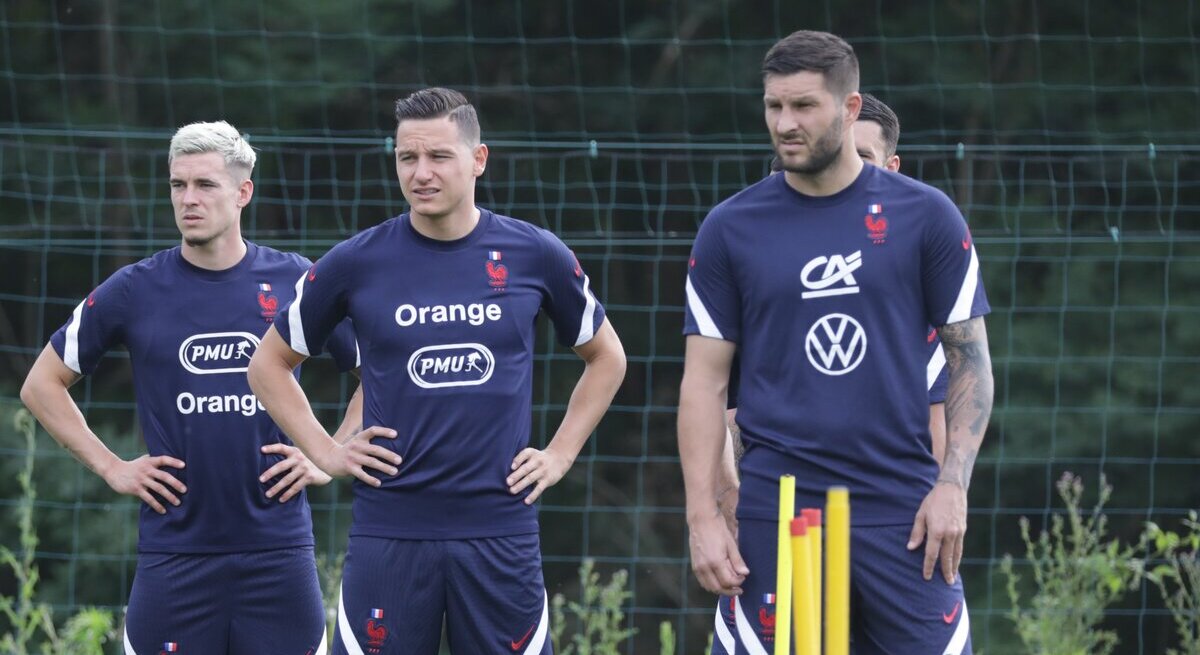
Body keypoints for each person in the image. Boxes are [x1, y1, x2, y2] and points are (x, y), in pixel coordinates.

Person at [247, 87, 627, 655]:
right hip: (389, 535)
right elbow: (268, 364)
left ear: (478, 159)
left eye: (438, 157)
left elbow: (607, 358)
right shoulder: (356, 261)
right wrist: (328, 453)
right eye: (407, 158)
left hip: (501, 532)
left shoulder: (533, 253)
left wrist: (560, 453)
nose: (421, 173)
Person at [679, 31, 992, 654]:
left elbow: (971, 361)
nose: (785, 123)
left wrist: (952, 484)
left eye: (804, 107)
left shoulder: (927, 216)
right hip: (783, 511)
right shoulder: (730, 229)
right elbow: (704, 383)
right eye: (774, 107)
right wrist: (704, 516)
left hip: (902, 512)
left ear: (850, 109)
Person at [20, 120, 362, 654]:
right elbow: (41, 385)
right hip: (174, 555)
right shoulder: (136, 288)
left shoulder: (296, 281)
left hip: (277, 553)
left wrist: (327, 456)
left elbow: (382, 373)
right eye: (178, 185)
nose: (188, 199)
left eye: (205, 185)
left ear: (243, 192)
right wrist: (112, 466)